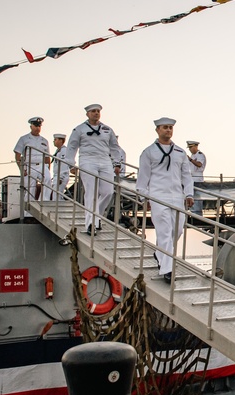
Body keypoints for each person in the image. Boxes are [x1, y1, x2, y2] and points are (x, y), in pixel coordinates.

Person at [136, 118, 193, 282]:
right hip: (157, 196)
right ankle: (167, 269)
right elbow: (143, 177)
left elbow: (186, 176)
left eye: (170, 128)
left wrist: (189, 194)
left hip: (177, 197)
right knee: (165, 231)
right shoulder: (148, 152)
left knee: (178, 230)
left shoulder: (180, 152)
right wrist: (143, 196)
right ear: (157, 130)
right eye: (165, 128)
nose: (168, 130)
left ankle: (160, 253)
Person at [64, 104, 123, 235]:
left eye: (98, 111)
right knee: (91, 192)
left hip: (105, 161)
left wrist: (117, 163)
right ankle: (90, 223)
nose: (96, 113)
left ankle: (97, 217)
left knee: (108, 192)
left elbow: (114, 147)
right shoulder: (79, 129)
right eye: (93, 111)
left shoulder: (107, 129)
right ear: (87, 114)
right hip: (88, 160)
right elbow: (72, 147)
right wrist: (71, 164)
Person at [13, 117, 51, 205]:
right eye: (35, 125)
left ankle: (45, 201)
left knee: (48, 179)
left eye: (39, 126)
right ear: (31, 126)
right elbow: (17, 154)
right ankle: (28, 210)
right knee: (30, 187)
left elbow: (47, 157)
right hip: (29, 165)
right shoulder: (24, 139)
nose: (37, 128)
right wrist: (21, 169)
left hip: (41, 165)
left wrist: (48, 168)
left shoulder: (44, 141)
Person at [186, 140, 206, 215]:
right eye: (189, 148)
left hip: (198, 178)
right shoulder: (193, 156)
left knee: (197, 199)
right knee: (192, 198)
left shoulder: (200, 155)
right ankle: (193, 214)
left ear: (196, 146)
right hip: (191, 178)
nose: (190, 149)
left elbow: (199, 164)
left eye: (191, 147)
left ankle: (198, 215)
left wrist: (190, 160)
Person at [48, 133, 69, 201]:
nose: (54, 141)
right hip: (57, 176)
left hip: (61, 176)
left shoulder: (64, 151)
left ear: (61, 140)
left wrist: (61, 177)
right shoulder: (59, 151)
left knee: (57, 197)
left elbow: (63, 165)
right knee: (56, 196)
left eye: (55, 140)